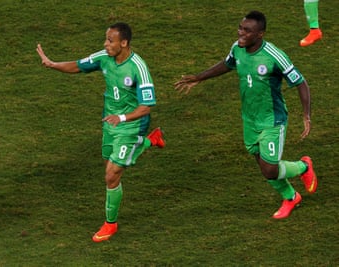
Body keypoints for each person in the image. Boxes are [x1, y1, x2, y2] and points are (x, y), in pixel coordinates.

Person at [174, 11, 317, 219]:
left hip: (272, 120)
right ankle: (290, 197)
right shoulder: (237, 48)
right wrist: (199, 78)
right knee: (263, 165)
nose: (241, 33)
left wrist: (306, 116)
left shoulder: (274, 56)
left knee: (270, 169)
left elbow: (301, 83)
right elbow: (227, 64)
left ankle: (304, 166)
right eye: (240, 28)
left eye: (247, 31)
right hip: (249, 119)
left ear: (260, 34)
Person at [36, 22, 165, 242]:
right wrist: (52, 64)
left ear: (124, 43)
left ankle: (110, 224)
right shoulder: (104, 56)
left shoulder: (138, 68)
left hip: (132, 124)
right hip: (110, 123)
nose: (106, 44)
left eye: (110, 40)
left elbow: (146, 106)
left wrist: (122, 118)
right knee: (109, 164)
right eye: (106, 39)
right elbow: (78, 65)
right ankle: (149, 142)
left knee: (112, 174)